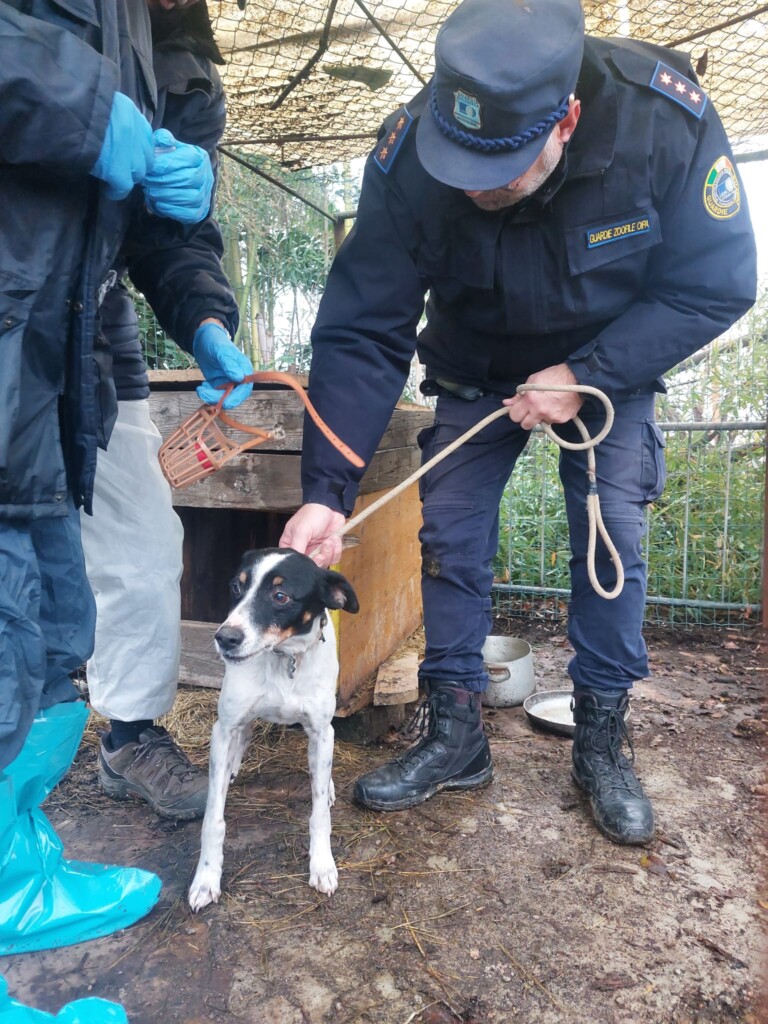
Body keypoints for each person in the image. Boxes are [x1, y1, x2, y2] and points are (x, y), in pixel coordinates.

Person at [279, 0, 757, 845]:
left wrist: (588, 375)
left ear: (566, 119)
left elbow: (714, 283)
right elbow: (363, 327)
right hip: (475, 370)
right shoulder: (408, 152)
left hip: (612, 368)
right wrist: (326, 491)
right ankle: (456, 731)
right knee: (450, 537)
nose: (471, 184)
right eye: (457, 163)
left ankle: (602, 743)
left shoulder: (662, 118)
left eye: (496, 167)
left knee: (614, 539)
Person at [0, 0, 235, 952]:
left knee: (59, 607)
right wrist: (86, 107)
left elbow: (158, 223)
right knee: (15, 600)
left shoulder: (163, 28)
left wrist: (205, 309)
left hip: (79, 334)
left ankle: (22, 856)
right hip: (15, 319)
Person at [80, 0, 252, 822]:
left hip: (96, 320)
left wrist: (208, 321)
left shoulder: (185, 60)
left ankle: (130, 735)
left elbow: (176, 234)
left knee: (145, 539)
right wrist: (70, 114)